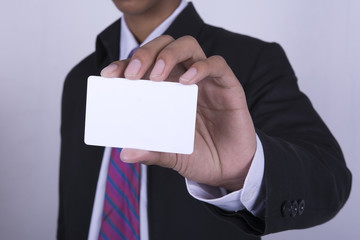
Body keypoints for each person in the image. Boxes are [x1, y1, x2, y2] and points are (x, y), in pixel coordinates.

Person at [57, 0, 352, 239]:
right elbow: (70, 207)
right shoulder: (79, 78)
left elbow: (330, 179)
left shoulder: (253, 59)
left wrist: (245, 169)